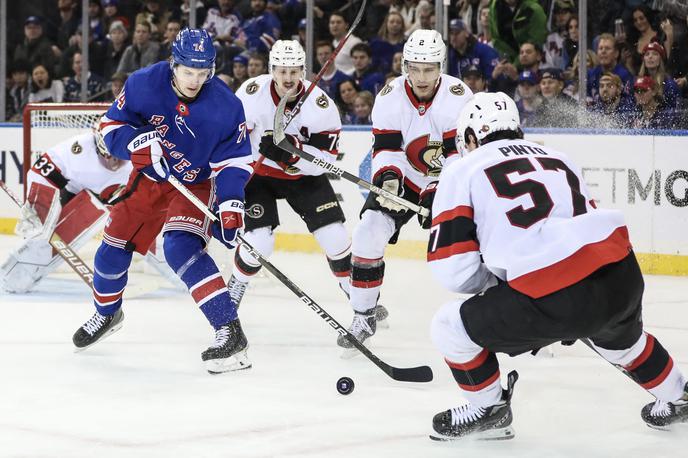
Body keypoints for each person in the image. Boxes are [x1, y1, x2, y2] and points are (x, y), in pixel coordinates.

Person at [427, 91, 688, 440]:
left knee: (449, 327)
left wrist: (502, 285)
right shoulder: (557, 155)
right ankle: (678, 396)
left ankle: (488, 408)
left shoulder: (462, 168)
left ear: (472, 137)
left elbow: (453, 270)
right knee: (621, 340)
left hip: (553, 293)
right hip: (620, 273)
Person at [71, 28, 254, 374]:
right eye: (188, 72)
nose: (195, 81)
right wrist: (136, 144)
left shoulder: (227, 107)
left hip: (197, 183)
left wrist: (230, 205)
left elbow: (235, 161)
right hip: (149, 177)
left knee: (180, 248)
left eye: (203, 73)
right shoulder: (143, 83)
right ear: (174, 64)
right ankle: (107, 313)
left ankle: (230, 333)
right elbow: (110, 127)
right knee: (111, 250)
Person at [337, 29, 473, 350]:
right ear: (405, 67)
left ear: (440, 66)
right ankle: (364, 314)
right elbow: (387, 146)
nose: (422, 77)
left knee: (472, 247)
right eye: (415, 68)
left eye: (429, 69)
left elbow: (460, 156)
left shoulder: (458, 96)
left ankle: (504, 306)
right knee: (368, 232)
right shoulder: (389, 96)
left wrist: (439, 190)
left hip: (449, 183)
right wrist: (388, 178)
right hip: (406, 179)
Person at [229, 40, 375, 316]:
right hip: (259, 175)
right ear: (272, 70)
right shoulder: (251, 94)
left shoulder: (320, 106)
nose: (287, 78)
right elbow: (233, 140)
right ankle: (235, 287)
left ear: (303, 72)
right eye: (282, 71)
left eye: (294, 71)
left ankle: (359, 301)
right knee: (259, 242)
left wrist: (291, 152)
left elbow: (327, 161)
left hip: (302, 176)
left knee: (335, 237)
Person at [0, 128, 132, 294]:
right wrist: (37, 208)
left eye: (120, 159)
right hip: (75, 194)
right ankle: (15, 277)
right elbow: (41, 172)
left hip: (118, 201)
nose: (115, 164)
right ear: (99, 148)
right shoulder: (79, 148)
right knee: (40, 238)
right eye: (109, 157)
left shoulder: (140, 156)